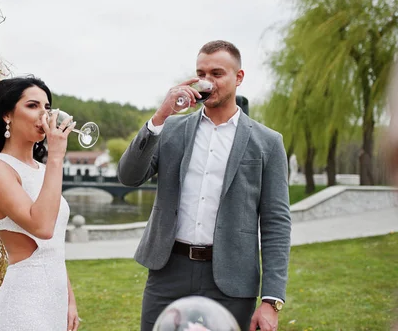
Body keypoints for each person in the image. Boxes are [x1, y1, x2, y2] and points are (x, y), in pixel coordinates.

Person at [117, 40, 291, 331]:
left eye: (217, 73)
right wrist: (160, 116)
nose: (207, 81)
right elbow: (128, 176)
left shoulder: (268, 143)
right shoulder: (171, 129)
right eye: (201, 73)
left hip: (232, 280)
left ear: (239, 78)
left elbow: (276, 223)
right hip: (168, 271)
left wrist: (271, 300)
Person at [0, 76, 80, 331]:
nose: (44, 115)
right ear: (7, 115)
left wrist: (69, 300)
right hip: (23, 308)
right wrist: (57, 156)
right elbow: (43, 227)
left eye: (47, 107)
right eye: (32, 106)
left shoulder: (42, 169)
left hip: (54, 303)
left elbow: (53, 245)